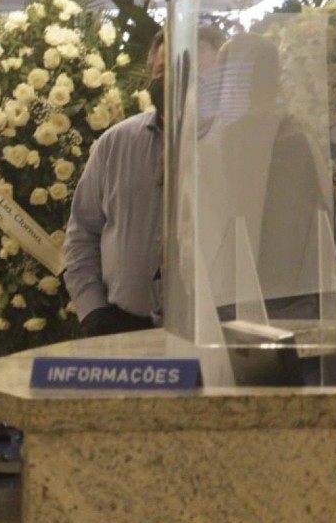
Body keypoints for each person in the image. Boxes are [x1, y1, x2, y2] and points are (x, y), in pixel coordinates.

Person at [66, 28, 226, 337]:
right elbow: (82, 232)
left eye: (191, 71)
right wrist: (93, 311)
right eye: (164, 71)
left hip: (212, 330)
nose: (176, 82)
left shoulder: (232, 146)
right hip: (121, 326)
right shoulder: (114, 144)